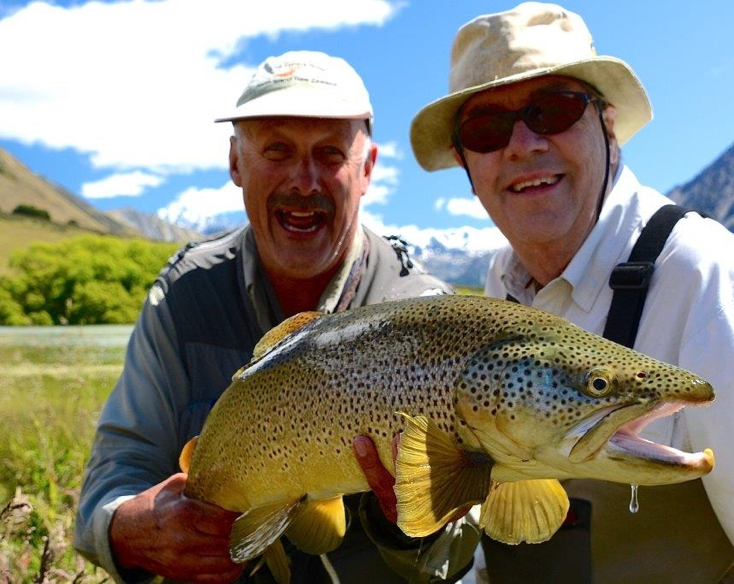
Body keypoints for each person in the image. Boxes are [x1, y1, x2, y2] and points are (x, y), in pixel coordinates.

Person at [410, 3, 734, 582]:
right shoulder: (498, 289)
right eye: (487, 128)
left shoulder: (719, 287)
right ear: (464, 160)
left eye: (553, 110)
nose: (523, 144)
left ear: (605, 123)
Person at [74, 50, 479, 583]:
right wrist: (129, 525)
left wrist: (412, 523)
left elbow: (461, 545)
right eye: (277, 150)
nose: (304, 181)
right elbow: (119, 465)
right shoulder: (185, 295)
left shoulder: (426, 314)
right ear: (236, 163)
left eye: (329, 154)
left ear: (368, 170)